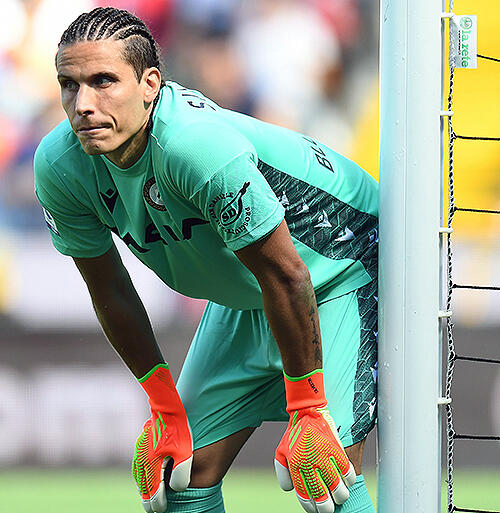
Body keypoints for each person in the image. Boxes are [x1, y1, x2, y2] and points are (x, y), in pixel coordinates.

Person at [34, 7, 378, 513]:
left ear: (150, 84)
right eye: (69, 85)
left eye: (103, 81)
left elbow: (287, 273)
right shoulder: (60, 165)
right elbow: (109, 289)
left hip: (342, 267)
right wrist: (163, 406)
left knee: (326, 474)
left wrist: (308, 407)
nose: (83, 104)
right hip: (255, 286)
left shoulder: (193, 146)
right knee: (180, 479)